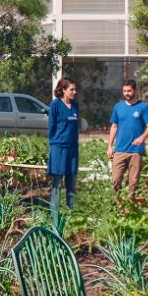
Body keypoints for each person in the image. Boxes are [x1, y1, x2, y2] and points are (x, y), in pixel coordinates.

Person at [107, 77, 148, 199]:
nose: (127, 93)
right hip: (120, 150)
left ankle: (130, 209)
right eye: (124, 91)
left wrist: (142, 137)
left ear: (135, 90)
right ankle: (120, 207)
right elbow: (114, 126)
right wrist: (109, 146)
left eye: (129, 91)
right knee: (116, 181)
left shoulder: (143, 107)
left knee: (133, 183)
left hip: (136, 151)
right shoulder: (118, 107)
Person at [47, 77, 82, 221]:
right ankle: (54, 215)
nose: (75, 92)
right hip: (58, 148)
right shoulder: (55, 105)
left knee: (71, 182)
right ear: (63, 90)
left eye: (75, 89)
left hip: (72, 149)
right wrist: (56, 142)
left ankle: (70, 214)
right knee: (57, 183)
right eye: (71, 89)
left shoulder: (75, 106)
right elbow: (51, 127)